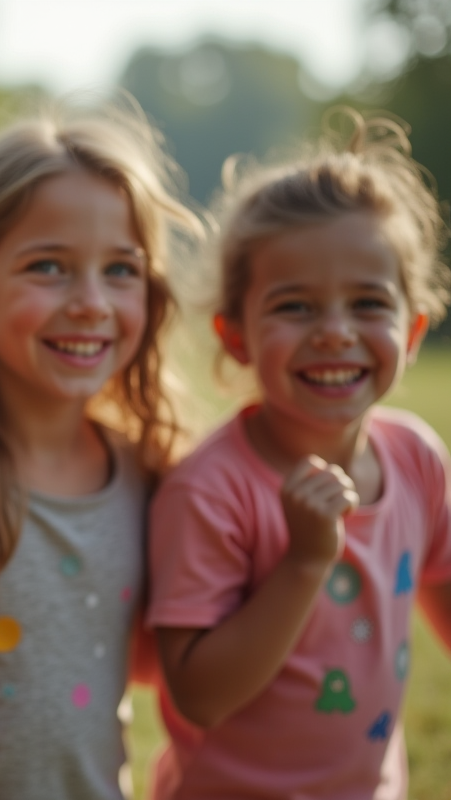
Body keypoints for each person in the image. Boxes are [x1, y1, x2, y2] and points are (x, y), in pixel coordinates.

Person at [0, 103, 204, 799]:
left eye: (120, 270)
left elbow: (147, 663)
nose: (90, 302)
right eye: (49, 266)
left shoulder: (151, 474)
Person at [147, 110, 451, 799]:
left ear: (412, 331)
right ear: (236, 335)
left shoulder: (417, 459)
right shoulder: (212, 490)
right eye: (296, 307)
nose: (336, 333)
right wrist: (307, 560)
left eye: (369, 303)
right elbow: (199, 695)